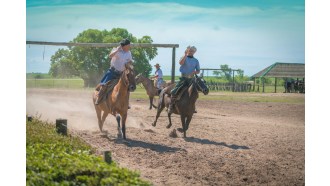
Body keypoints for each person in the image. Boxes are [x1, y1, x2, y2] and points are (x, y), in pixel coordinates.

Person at [94, 38, 133, 105]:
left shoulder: (129, 53)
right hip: (112, 72)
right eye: (129, 45)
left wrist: (129, 64)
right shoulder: (116, 50)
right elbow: (110, 56)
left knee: (127, 86)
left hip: (121, 74)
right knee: (104, 85)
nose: (130, 47)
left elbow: (130, 61)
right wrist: (117, 50)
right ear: (125, 45)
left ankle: (127, 103)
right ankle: (99, 97)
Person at [168, 45, 200, 114]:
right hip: (183, 78)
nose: (191, 52)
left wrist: (194, 72)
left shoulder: (196, 60)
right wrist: (185, 55)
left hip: (191, 79)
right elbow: (180, 63)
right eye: (190, 50)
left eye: (192, 51)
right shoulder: (184, 57)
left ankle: (193, 106)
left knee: (195, 93)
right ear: (187, 51)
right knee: (174, 90)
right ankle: (171, 106)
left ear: (194, 52)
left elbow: (198, 70)